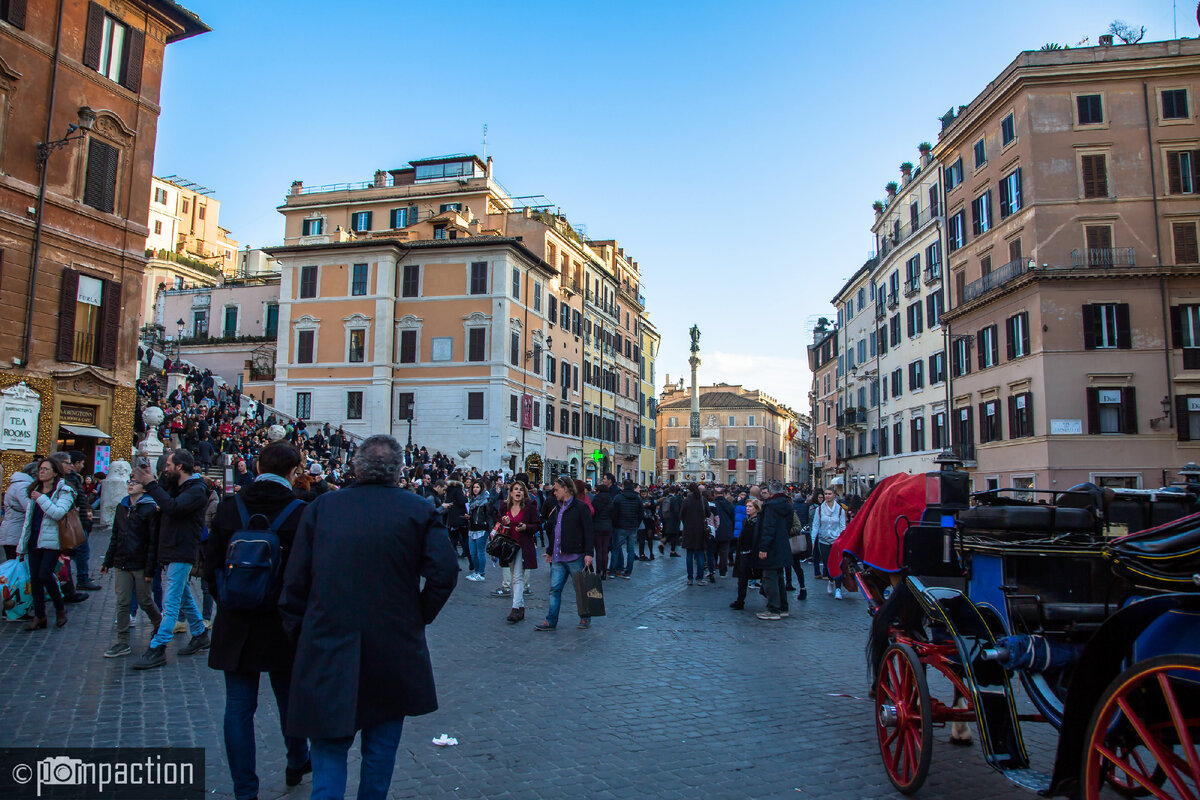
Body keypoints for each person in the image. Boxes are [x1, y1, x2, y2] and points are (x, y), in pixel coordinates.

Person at [279, 435, 457, 800]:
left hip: (327, 642)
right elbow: (445, 572)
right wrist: (417, 616)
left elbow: (294, 583)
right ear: (398, 470)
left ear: (356, 467)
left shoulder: (323, 508)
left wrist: (302, 633)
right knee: (379, 756)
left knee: (328, 756)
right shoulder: (418, 510)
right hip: (392, 646)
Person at [206, 441, 311, 800]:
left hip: (236, 620)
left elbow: (210, 566)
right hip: (283, 621)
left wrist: (230, 600)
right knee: (289, 700)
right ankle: (297, 760)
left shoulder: (229, 507)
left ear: (256, 464)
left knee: (237, 708)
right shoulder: (300, 511)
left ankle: (244, 790)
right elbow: (307, 574)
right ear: (294, 470)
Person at [132, 449, 210, 669]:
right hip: (173, 548)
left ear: (179, 467)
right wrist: (151, 478)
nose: (165, 470)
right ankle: (200, 633)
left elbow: (172, 507)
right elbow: (164, 497)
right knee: (182, 592)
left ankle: (158, 646)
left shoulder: (196, 490)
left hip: (182, 549)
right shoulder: (179, 486)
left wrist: (151, 484)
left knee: (171, 600)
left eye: (168, 466)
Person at [100, 475, 163, 657]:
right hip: (122, 561)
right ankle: (122, 641)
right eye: (130, 482)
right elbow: (115, 535)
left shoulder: (150, 509)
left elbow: (153, 541)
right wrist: (108, 561)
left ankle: (159, 625)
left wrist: (151, 568)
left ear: (144, 488)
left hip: (141, 562)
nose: (131, 485)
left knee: (144, 600)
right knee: (122, 602)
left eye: (135, 483)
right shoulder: (122, 507)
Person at [16, 458, 76, 630]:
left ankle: (59, 607)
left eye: (45, 469)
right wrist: (22, 546)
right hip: (34, 539)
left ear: (55, 472)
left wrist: (41, 498)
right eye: (40, 469)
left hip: (52, 541)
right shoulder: (34, 490)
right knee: (35, 578)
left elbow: (58, 513)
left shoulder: (64, 491)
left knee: (44, 574)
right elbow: (29, 521)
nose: (41, 472)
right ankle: (40, 616)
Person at [534, 476, 595, 631]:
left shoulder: (580, 507)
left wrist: (589, 553)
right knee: (554, 589)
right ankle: (551, 620)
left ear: (566, 489)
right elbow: (555, 531)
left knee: (580, 589)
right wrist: (549, 551)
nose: (554, 492)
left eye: (556, 489)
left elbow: (589, 531)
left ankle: (585, 617)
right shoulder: (557, 508)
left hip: (574, 556)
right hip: (558, 556)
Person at [492, 481, 539, 623]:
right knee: (514, 576)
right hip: (508, 546)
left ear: (524, 493)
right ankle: (521, 608)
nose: (518, 492)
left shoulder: (529, 507)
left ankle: (515, 608)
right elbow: (499, 524)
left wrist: (526, 527)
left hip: (522, 546)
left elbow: (537, 525)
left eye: (521, 490)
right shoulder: (504, 506)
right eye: (515, 489)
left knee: (517, 577)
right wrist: (504, 521)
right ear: (511, 492)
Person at [755, 482, 794, 620]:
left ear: (771, 492)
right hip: (782, 544)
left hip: (771, 546)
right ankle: (783, 607)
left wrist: (763, 547)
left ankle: (773, 609)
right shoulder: (786, 504)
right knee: (779, 577)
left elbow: (768, 527)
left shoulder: (771, 506)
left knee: (769, 576)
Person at [812, 488, 848, 599]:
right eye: (826, 494)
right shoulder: (819, 510)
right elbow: (815, 525)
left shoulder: (840, 510)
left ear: (834, 495)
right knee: (827, 564)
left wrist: (843, 540)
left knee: (837, 564)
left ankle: (838, 589)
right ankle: (831, 580)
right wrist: (813, 540)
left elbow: (843, 527)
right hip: (824, 540)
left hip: (836, 541)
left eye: (829, 494)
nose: (827, 496)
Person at [729, 497, 762, 610]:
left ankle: (770, 597)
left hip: (753, 553)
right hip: (743, 552)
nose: (747, 508)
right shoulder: (746, 520)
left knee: (759, 576)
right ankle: (740, 600)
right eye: (747, 506)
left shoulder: (758, 522)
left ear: (756, 509)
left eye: (750, 507)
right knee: (742, 578)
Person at [2, 462, 36, 560]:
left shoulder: (17, 484)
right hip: (16, 532)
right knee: (15, 566)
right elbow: (28, 507)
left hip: (12, 531)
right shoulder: (23, 486)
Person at [610, 479, 642, 580]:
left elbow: (614, 513)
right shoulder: (637, 498)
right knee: (631, 550)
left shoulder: (618, 497)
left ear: (623, 486)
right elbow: (640, 513)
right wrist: (637, 523)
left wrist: (615, 523)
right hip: (632, 526)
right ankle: (628, 571)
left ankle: (613, 571)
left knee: (616, 548)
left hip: (620, 526)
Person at [679, 484, 710, 585]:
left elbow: (681, 515)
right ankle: (700, 578)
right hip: (700, 529)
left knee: (689, 554)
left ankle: (690, 578)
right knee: (700, 554)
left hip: (688, 529)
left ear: (689, 490)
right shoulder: (703, 500)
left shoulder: (686, 501)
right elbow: (708, 514)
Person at [464, 481, 494, 582]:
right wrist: (469, 517)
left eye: (477, 487)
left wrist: (491, 531)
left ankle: (481, 573)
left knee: (480, 551)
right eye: (474, 487)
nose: (475, 489)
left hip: (482, 528)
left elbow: (489, 516)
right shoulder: (472, 500)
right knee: (472, 552)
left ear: (481, 488)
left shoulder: (486, 501)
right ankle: (476, 571)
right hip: (472, 527)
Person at [590, 474, 615, 580]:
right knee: (605, 550)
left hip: (597, 526)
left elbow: (592, 513)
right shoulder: (610, 500)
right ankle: (605, 571)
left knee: (598, 550)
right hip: (608, 527)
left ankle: (598, 571)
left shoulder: (596, 500)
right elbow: (613, 514)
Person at [712, 486, 736, 577]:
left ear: (714, 494)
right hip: (726, 531)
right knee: (724, 552)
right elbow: (733, 518)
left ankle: (713, 568)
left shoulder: (712, 504)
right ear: (724, 494)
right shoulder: (729, 504)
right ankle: (723, 571)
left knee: (713, 551)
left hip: (715, 531)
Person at [660, 487, 682, 556]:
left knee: (671, 534)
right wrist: (679, 517)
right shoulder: (675, 498)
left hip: (667, 517)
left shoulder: (666, 498)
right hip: (674, 519)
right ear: (675, 491)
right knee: (674, 534)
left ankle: (666, 545)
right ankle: (671, 550)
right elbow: (676, 510)